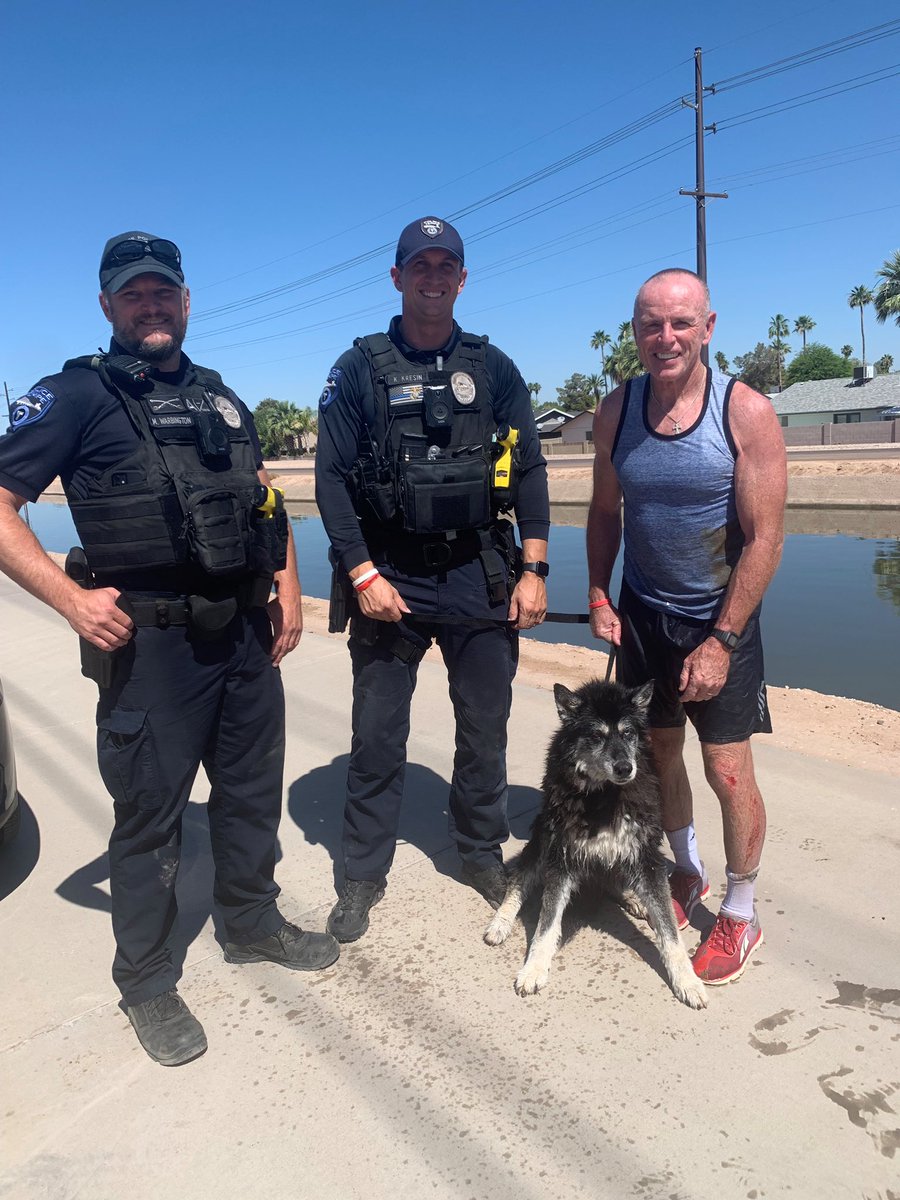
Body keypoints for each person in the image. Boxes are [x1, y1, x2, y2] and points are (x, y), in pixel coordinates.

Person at [0, 232, 339, 1066]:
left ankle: (252, 923)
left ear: (186, 302)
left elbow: (265, 495)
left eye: (164, 292)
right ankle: (146, 979)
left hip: (244, 638)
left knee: (252, 798)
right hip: (151, 649)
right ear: (108, 307)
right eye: (133, 294)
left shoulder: (223, 399)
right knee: (150, 822)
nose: (151, 306)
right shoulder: (74, 395)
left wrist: (289, 587)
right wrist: (71, 600)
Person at [315, 216, 550, 943]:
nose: (433, 277)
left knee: (485, 730)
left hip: (480, 573)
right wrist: (360, 573)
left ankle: (480, 853)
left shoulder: (493, 366)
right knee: (379, 735)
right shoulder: (359, 368)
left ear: (461, 279)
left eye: (446, 266)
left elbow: (534, 468)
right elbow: (328, 478)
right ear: (397, 277)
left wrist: (534, 567)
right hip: (390, 580)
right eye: (420, 266)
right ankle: (361, 874)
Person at [586, 268, 786, 986]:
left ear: (707, 327)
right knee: (660, 755)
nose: (663, 336)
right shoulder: (617, 410)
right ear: (635, 332)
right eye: (650, 323)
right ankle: (686, 870)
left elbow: (764, 540)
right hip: (645, 613)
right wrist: (600, 595)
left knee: (727, 770)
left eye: (679, 323)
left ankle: (740, 911)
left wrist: (722, 640)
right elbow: (606, 511)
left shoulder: (746, 413)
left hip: (717, 617)